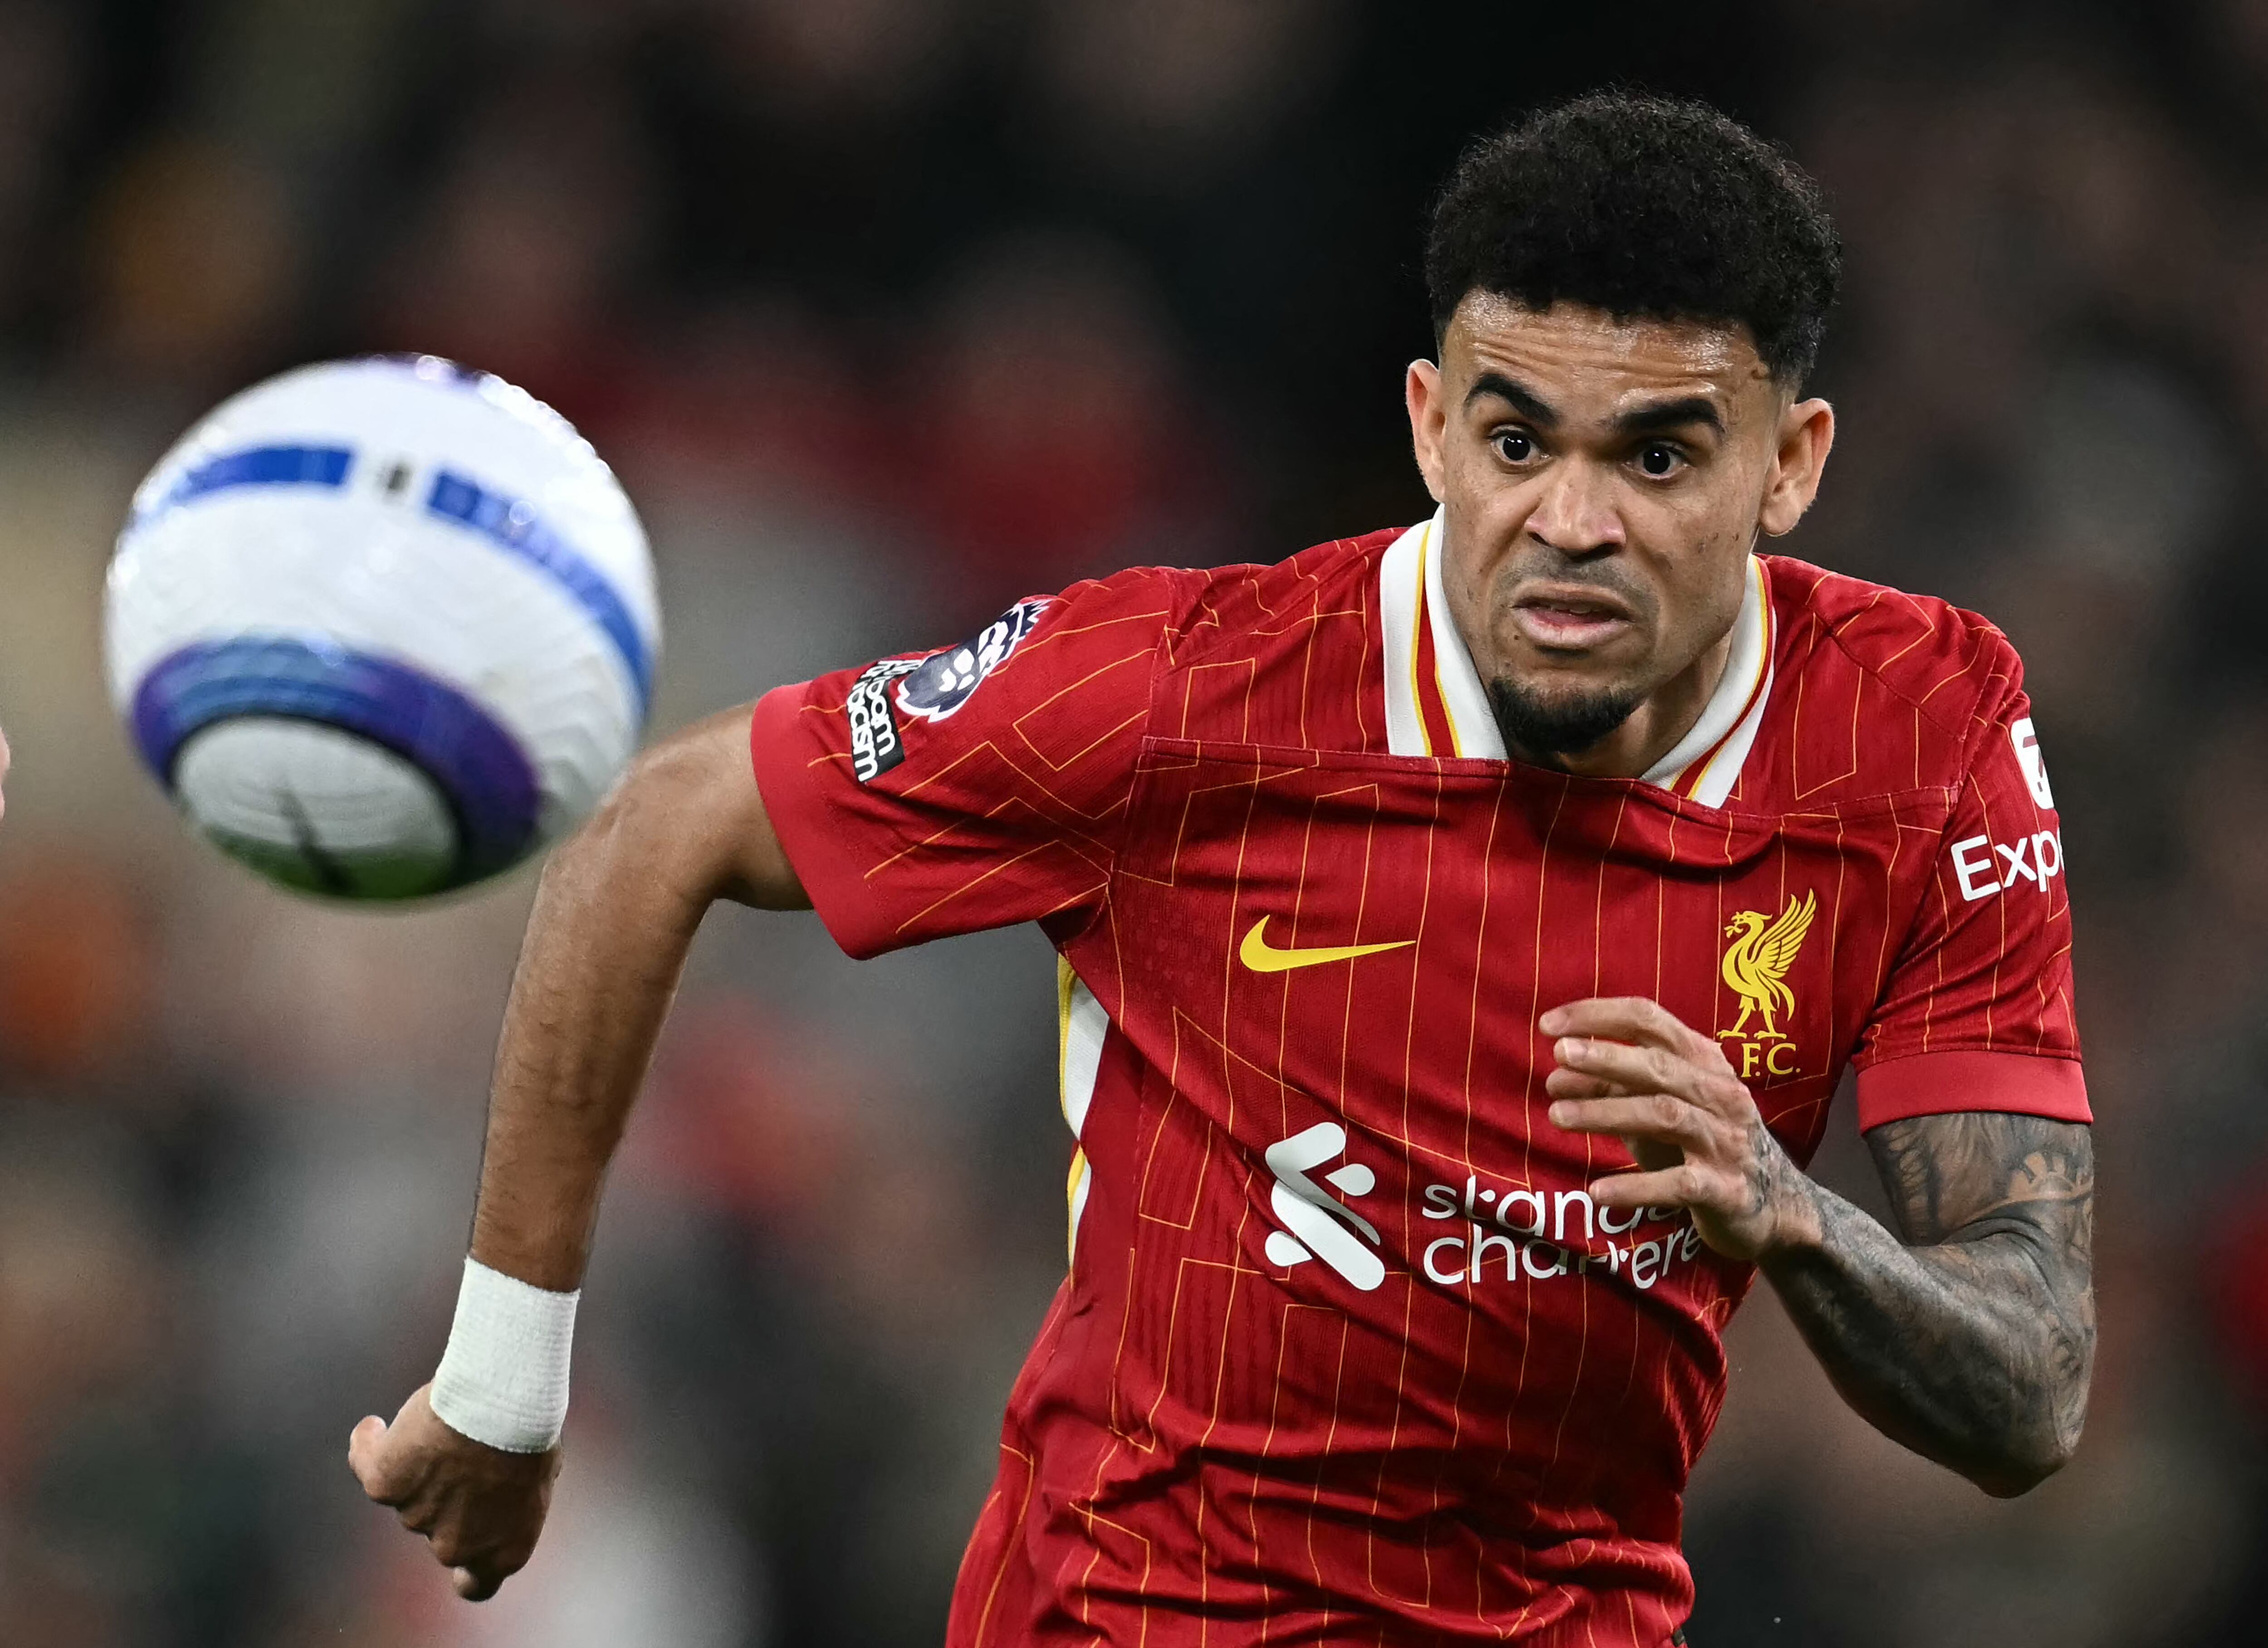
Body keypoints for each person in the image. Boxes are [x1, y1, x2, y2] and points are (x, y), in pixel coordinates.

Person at [350, 93, 2095, 1645]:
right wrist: (506, 1386)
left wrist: (1794, 1219)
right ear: (1428, 429)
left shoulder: (1921, 730)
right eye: (1514, 442)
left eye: (1657, 455)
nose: (1572, 519)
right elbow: (652, 829)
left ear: (1789, 464)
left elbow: (2030, 1387)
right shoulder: (1197, 690)